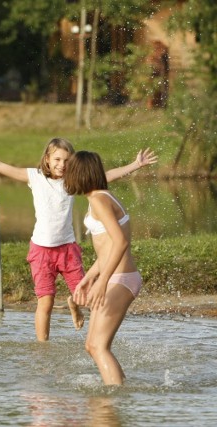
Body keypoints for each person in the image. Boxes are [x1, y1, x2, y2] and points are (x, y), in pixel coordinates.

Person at [0, 130, 156, 341]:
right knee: (45, 302)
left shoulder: (72, 181)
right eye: (57, 159)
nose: (61, 165)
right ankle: (42, 347)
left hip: (67, 249)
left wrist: (135, 165)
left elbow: (105, 176)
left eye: (67, 160)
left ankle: (74, 305)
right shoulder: (35, 177)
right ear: (47, 158)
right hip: (41, 251)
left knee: (86, 296)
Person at [63, 151, 141, 385]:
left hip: (120, 279)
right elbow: (107, 249)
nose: (65, 174)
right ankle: (119, 391)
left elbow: (120, 242)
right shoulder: (102, 196)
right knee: (92, 346)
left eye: (69, 169)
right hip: (117, 276)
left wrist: (103, 282)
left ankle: (114, 402)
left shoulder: (98, 200)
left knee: (98, 346)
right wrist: (89, 278)